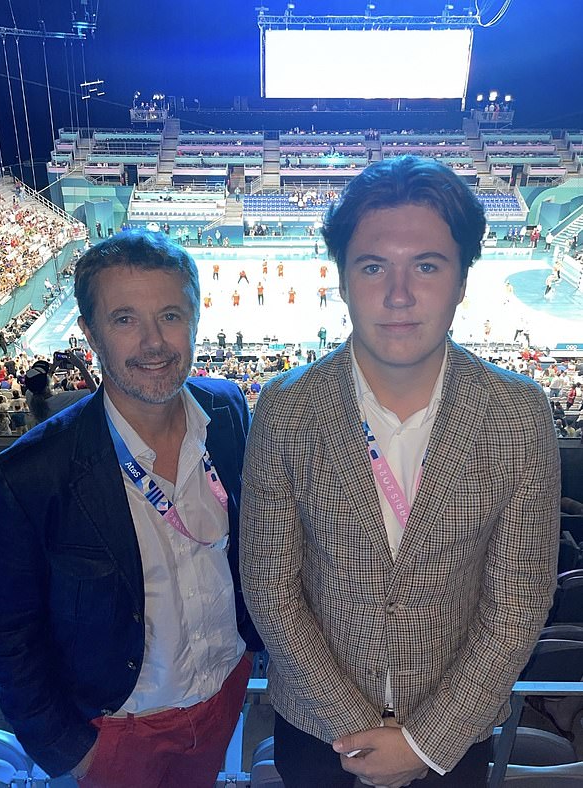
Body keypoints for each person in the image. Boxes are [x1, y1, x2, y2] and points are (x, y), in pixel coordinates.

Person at [240, 156, 560, 788]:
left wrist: (424, 742)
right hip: (319, 739)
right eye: (374, 266)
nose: (399, 295)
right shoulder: (287, 406)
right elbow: (270, 586)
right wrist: (355, 731)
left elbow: (517, 600)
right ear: (342, 277)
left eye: (427, 266)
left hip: (452, 742)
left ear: (463, 279)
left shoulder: (518, 414)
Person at [0, 230, 262, 786]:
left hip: (222, 694)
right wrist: (72, 752)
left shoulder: (227, 413)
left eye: (171, 316)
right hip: (112, 730)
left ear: (197, 318)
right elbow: (7, 634)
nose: (153, 343)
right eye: (125, 319)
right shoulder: (27, 476)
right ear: (90, 332)